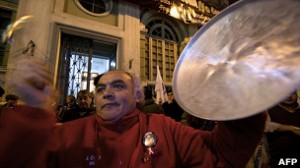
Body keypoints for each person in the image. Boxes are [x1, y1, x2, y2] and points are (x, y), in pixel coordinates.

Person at [0, 60, 266, 167]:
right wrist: (34, 108)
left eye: (118, 86)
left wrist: (239, 96)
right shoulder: (71, 133)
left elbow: (218, 156)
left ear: (138, 96)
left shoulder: (164, 127)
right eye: (101, 88)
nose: (107, 92)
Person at [265, 91, 300, 167]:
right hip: (279, 160)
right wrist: (290, 129)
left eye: (293, 93)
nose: (289, 96)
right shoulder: (270, 110)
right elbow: (265, 126)